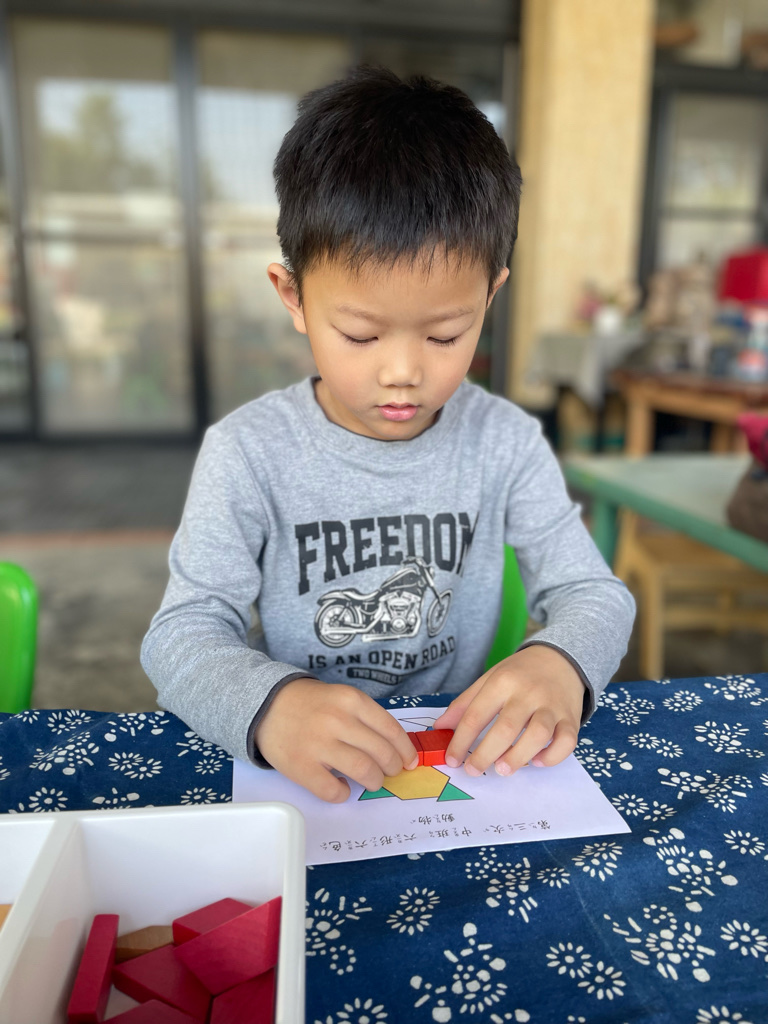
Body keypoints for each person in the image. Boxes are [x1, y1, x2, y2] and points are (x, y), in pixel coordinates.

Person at [141, 66, 635, 803]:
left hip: (457, 764)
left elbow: (594, 593)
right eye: (361, 334)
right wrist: (271, 706)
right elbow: (181, 633)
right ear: (293, 296)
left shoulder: (504, 441)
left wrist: (560, 661)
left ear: (490, 296)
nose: (403, 373)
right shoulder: (248, 452)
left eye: (445, 334)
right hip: (309, 774)